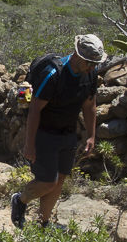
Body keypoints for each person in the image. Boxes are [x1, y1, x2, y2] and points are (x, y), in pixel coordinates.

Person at [11, 34, 105, 229]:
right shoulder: (53, 73)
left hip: (68, 133)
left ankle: (43, 223)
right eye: (89, 62)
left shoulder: (90, 74)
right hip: (44, 133)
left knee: (60, 178)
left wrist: (91, 135)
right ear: (78, 56)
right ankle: (20, 200)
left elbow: (90, 106)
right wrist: (29, 144)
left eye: (95, 63)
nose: (92, 67)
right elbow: (35, 109)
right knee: (47, 181)